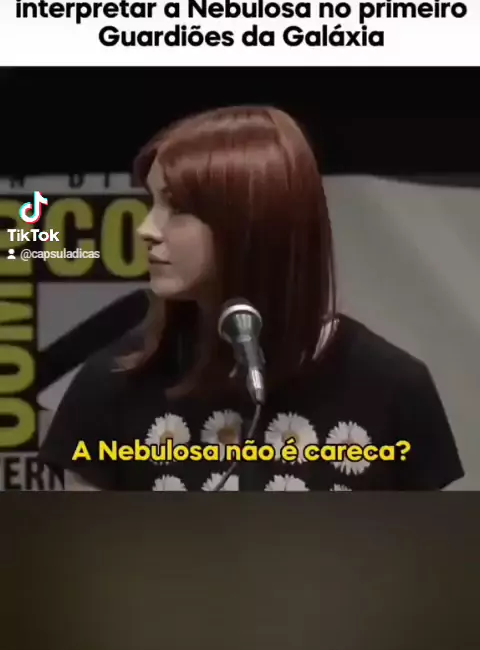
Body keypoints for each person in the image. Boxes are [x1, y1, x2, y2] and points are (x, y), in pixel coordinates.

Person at [37, 105, 464, 492]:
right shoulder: (111, 383)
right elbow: (88, 552)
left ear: (253, 226)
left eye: (177, 208)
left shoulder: (393, 388)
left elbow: (424, 552)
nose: (146, 229)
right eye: (152, 202)